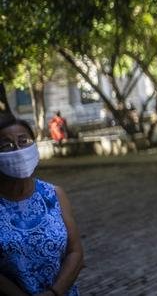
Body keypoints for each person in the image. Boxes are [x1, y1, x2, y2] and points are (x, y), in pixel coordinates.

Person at [0, 113, 83, 296]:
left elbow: (75, 251)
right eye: (6, 145)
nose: (18, 150)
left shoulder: (54, 194)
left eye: (24, 141)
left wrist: (55, 292)